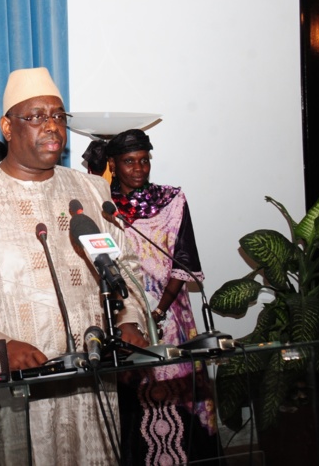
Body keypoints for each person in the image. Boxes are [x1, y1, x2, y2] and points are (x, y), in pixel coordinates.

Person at [0, 67, 149, 465]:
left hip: (88, 389)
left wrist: (129, 320)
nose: (52, 126)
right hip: (3, 391)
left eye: (58, 115)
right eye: (36, 116)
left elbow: (122, 263)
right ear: (7, 126)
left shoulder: (90, 190)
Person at [105, 129, 221, 464]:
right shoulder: (104, 206)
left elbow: (183, 262)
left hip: (171, 315)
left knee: (182, 400)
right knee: (134, 405)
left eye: (144, 161)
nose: (139, 169)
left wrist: (158, 312)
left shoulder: (172, 199)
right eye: (129, 162)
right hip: (124, 316)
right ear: (113, 164)